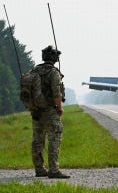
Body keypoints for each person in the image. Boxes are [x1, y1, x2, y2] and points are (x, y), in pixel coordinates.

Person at [30, 45, 69, 178]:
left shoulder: (34, 70)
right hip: (49, 111)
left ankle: (39, 169)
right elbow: (57, 94)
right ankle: (53, 170)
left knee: (37, 140)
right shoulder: (53, 72)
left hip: (36, 111)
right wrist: (60, 108)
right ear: (54, 58)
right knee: (54, 137)